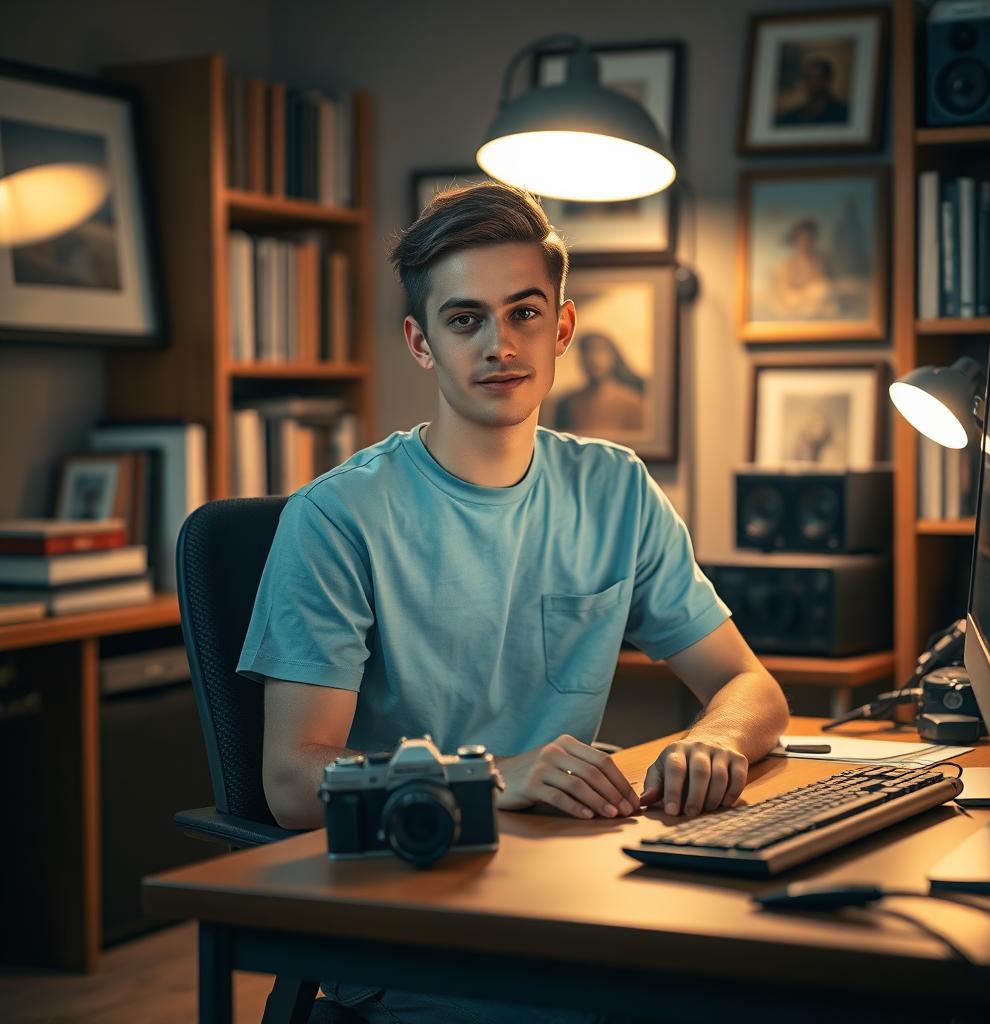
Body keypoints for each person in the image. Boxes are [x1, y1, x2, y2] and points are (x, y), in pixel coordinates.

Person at [237, 181, 790, 1023]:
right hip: (417, 916)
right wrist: (494, 779)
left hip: (577, 886)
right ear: (421, 343)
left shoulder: (616, 490)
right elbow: (291, 781)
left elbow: (751, 687)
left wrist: (716, 738)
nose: (501, 344)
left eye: (524, 313)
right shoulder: (338, 518)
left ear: (562, 328)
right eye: (466, 320)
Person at [551, 331, 646, 433]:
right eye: (587, 352)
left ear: (613, 356)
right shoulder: (568, 403)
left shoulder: (632, 402)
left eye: (599, 351)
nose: (594, 359)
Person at [774, 54, 849, 126]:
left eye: (817, 78)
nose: (811, 83)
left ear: (827, 80)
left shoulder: (842, 112)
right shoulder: (792, 117)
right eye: (808, 78)